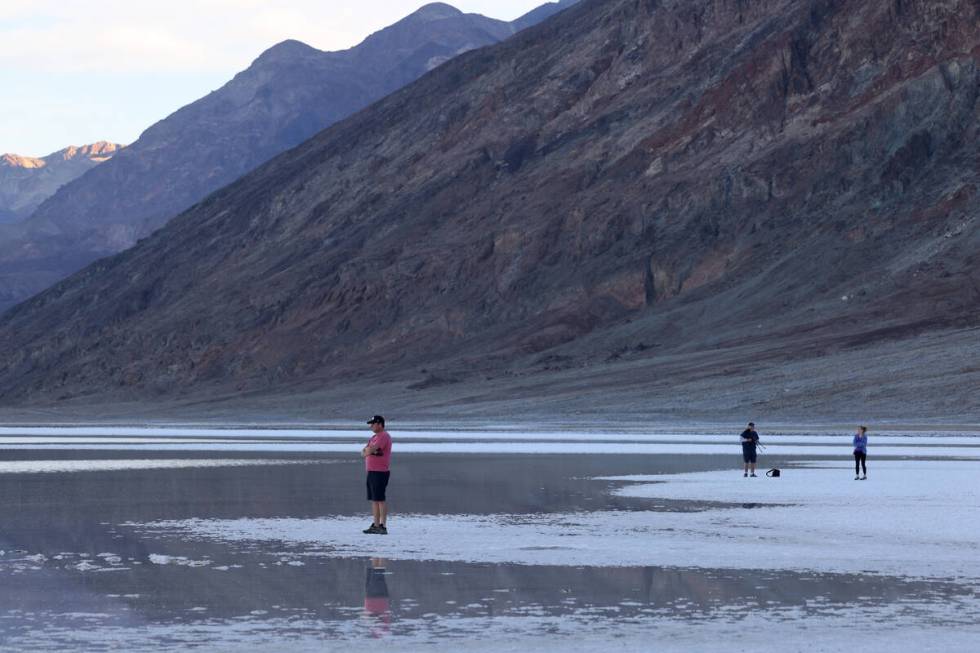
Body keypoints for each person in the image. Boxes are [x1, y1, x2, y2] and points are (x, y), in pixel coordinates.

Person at [362, 415, 392, 534]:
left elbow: (369, 450)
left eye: (373, 424)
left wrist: (370, 450)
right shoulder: (374, 437)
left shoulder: (384, 436)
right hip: (371, 471)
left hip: (380, 472)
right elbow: (363, 452)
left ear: (379, 424)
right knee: (374, 499)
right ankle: (375, 524)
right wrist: (370, 451)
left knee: (380, 499)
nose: (371, 426)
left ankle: (383, 526)